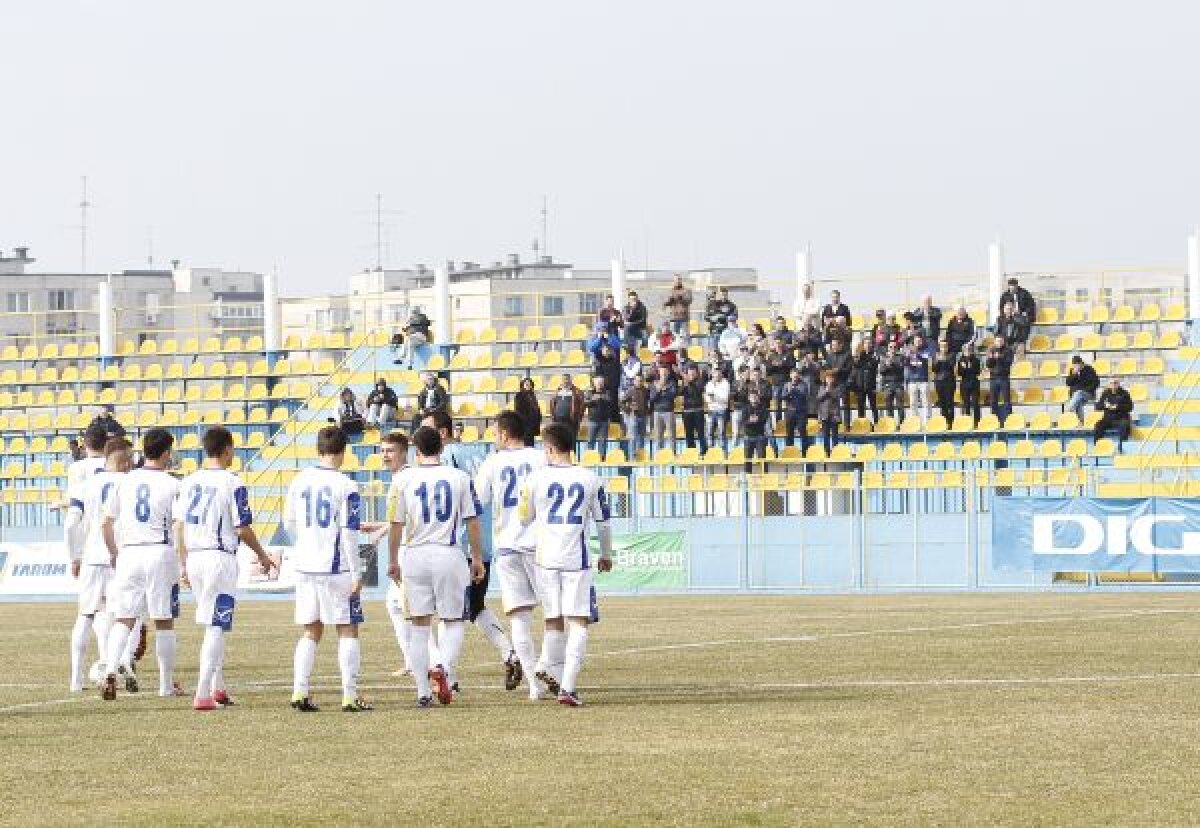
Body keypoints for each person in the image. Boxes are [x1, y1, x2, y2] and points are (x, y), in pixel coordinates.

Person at [173, 426, 275, 711]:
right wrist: (262, 555)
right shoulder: (233, 483)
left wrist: (183, 562)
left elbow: (179, 525)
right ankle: (202, 693)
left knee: (212, 622)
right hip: (219, 559)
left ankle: (218, 687)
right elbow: (242, 528)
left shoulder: (189, 481)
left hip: (195, 557)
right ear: (228, 449)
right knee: (217, 624)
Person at [387, 426, 486, 707]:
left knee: (419, 626)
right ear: (441, 448)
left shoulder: (402, 479)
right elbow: (472, 521)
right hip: (448, 553)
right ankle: (441, 665)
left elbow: (396, 524)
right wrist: (477, 557)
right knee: (453, 621)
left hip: (415, 555)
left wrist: (393, 560)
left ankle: (422, 692)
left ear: (415, 450)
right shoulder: (459, 477)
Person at [517, 422, 613, 706]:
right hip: (576, 558)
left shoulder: (535, 479)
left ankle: (548, 667)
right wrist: (606, 554)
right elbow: (603, 522)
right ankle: (567, 687)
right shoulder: (590, 478)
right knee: (579, 620)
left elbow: (523, 517)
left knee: (553, 619)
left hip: (545, 558)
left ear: (549, 448)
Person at [282, 427, 370, 712]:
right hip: (336, 567)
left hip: (305, 566)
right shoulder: (346, 485)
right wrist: (357, 573)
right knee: (348, 628)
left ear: (318, 449)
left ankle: (299, 691)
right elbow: (349, 533)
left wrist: (308, 544)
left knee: (311, 629)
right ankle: (350, 695)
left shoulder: (299, 480)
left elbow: (288, 523)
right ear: (344, 451)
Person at [99, 428, 181, 701]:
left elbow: (106, 523)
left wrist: (114, 553)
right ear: (166, 452)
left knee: (124, 618)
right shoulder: (173, 484)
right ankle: (165, 685)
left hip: (130, 553)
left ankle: (110, 670)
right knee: (164, 621)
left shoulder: (125, 481)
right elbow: (179, 525)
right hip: (159, 551)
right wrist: (183, 559)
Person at [473, 411, 549, 701]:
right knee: (555, 614)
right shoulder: (541, 458)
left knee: (520, 617)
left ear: (504, 434)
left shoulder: (492, 463)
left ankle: (534, 685)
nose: (494, 438)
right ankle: (551, 671)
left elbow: (476, 503)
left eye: (495, 433)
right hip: (541, 545)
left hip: (507, 545)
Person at [67, 436, 131, 694]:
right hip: (119, 557)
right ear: (124, 459)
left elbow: (71, 524)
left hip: (92, 556)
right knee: (118, 616)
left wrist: (75, 556)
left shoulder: (86, 485)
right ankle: (112, 666)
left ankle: (76, 679)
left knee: (85, 615)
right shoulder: (129, 482)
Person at [360, 431, 413, 677]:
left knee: (411, 610)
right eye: (382, 451)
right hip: (405, 548)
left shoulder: (403, 479)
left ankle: (433, 663)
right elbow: (401, 518)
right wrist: (379, 527)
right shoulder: (403, 477)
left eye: (390, 451)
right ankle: (413, 661)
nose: (385, 455)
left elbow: (403, 520)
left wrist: (381, 532)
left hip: (408, 551)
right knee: (395, 605)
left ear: (404, 453)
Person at [821, 336, 852, 426]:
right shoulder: (829, 355)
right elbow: (827, 367)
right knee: (832, 404)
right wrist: (826, 371)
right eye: (832, 345)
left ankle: (847, 426)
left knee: (845, 405)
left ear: (840, 345)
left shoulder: (847, 355)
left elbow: (849, 369)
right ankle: (833, 424)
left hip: (843, 383)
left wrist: (838, 370)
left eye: (835, 345)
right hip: (832, 383)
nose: (833, 347)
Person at [1094, 378, 1133, 449]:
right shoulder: (1105, 393)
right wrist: (1105, 405)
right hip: (1108, 419)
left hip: (1120, 418)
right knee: (1098, 425)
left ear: (1118, 384)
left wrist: (1118, 407)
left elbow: (1130, 407)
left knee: (1124, 424)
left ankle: (1122, 446)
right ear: (1109, 385)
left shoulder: (1124, 393)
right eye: (1111, 383)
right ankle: (1098, 447)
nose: (1113, 385)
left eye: (1115, 383)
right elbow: (1097, 407)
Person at [621, 373, 650, 459]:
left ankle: (640, 457)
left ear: (643, 381)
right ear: (634, 381)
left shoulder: (646, 391)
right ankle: (632, 458)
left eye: (641, 381)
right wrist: (628, 409)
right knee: (633, 438)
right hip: (633, 417)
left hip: (643, 417)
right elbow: (621, 402)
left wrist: (648, 411)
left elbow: (650, 402)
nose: (639, 382)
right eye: (637, 380)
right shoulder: (630, 391)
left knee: (641, 438)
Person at [903, 335, 932, 425]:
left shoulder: (926, 350)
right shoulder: (909, 352)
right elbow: (905, 364)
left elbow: (926, 360)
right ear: (913, 342)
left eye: (919, 341)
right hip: (912, 380)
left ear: (922, 341)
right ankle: (915, 422)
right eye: (916, 341)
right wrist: (908, 356)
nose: (918, 342)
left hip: (923, 380)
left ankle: (927, 422)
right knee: (912, 403)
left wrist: (917, 354)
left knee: (926, 402)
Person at [679, 364, 707, 455]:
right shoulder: (685, 382)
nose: (691, 374)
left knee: (701, 433)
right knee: (689, 434)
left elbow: (698, 390)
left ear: (696, 373)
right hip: (687, 412)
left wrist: (689, 382)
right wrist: (684, 384)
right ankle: (691, 452)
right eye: (690, 373)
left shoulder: (700, 381)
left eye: (693, 373)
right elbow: (680, 392)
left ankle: (704, 452)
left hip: (698, 411)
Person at [549, 374, 584, 445]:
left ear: (570, 380)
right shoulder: (557, 391)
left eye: (567, 379)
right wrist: (553, 415)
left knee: (571, 440)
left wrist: (578, 417)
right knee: (560, 440)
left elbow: (582, 406)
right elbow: (552, 404)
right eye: (564, 379)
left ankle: (572, 452)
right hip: (558, 420)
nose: (565, 381)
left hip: (571, 420)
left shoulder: (577, 392)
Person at [986, 336, 1014, 423]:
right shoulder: (991, 350)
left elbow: (1008, 363)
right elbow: (988, 365)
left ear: (1003, 341)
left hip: (1004, 378)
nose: (999, 343)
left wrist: (999, 358)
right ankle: (994, 420)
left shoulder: (1008, 350)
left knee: (1006, 400)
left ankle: (1008, 420)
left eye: (1001, 341)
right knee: (993, 400)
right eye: (997, 341)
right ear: (994, 342)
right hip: (993, 378)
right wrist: (991, 358)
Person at [781, 368, 810, 452]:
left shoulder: (803, 384)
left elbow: (803, 396)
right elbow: (783, 397)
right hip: (790, 412)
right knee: (789, 433)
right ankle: (790, 452)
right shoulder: (786, 385)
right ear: (790, 375)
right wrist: (789, 392)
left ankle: (805, 452)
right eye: (793, 375)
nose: (795, 377)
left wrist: (793, 390)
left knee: (802, 432)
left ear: (798, 376)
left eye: (796, 375)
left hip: (801, 412)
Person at [850, 340, 879, 424]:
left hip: (871, 385)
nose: (867, 345)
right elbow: (855, 364)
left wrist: (868, 357)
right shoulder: (859, 355)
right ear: (863, 345)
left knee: (873, 406)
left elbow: (874, 366)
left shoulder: (874, 355)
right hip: (860, 385)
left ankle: (876, 423)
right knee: (861, 407)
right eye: (866, 343)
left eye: (869, 343)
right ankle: (861, 424)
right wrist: (858, 355)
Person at [648, 370, 678, 452]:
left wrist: (664, 390)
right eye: (662, 373)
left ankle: (673, 455)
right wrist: (659, 390)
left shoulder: (672, 383)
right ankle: (659, 455)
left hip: (669, 412)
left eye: (665, 373)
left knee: (671, 436)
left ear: (668, 373)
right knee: (658, 436)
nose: (663, 375)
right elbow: (652, 398)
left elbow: (673, 395)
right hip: (657, 412)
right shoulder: (654, 384)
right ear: (659, 373)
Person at [583, 376, 612, 457]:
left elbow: (610, 402)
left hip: (604, 421)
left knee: (603, 441)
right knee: (590, 440)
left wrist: (602, 398)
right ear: (594, 384)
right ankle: (589, 457)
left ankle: (602, 458)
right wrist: (593, 399)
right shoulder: (590, 392)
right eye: (598, 383)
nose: (600, 384)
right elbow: (585, 403)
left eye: (601, 383)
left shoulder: (607, 392)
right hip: (593, 420)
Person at [1065, 355, 1100, 423]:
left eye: (1077, 365)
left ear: (1081, 363)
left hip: (1088, 394)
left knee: (1079, 393)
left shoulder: (1089, 369)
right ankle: (1081, 422)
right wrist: (1074, 374)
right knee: (1079, 403)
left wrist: (1085, 390)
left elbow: (1096, 383)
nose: (1076, 367)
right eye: (1074, 365)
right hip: (1076, 396)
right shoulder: (1072, 370)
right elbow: (1068, 383)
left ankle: (1069, 410)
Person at [593, 342, 622, 422]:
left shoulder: (615, 361)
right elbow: (597, 376)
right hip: (603, 390)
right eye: (605, 350)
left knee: (614, 409)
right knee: (604, 410)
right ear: (602, 351)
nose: (607, 352)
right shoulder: (598, 361)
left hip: (614, 389)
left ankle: (615, 425)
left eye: (609, 350)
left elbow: (618, 375)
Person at [704, 366, 730, 451]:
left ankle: (723, 454)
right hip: (711, 411)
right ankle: (710, 453)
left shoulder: (726, 383)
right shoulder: (709, 384)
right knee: (709, 433)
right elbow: (707, 399)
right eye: (715, 373)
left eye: (719, 373)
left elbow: (725, 399)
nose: (717, 375)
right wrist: (712, 399)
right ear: (712, 374)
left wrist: (714, 398)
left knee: (721, 434)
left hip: (721, 411)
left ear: (721, 374)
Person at [877, 342, 906, 422]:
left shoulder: (900, 357)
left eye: (894, 347)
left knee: (900, 405)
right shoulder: (884, 357)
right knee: (889, 405)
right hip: (888, 384)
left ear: (897, 348)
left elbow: (901, 369)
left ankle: (902, 423)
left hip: (898, 384)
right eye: (891, 347)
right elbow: (881, 371)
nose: (892, 348)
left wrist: (892, 363)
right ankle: (891, 423)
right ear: (888, 348)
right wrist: (886, 365)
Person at [931, 340, 957, 424]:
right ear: (939, 347)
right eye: (942, 346)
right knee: (942, 403)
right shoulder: (936, 355)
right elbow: (934, 369)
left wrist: (944, 358)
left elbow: (951, 366)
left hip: (949, 381)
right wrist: (937, 361)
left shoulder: (952, 355)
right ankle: (944, 421)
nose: (944, 348)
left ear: (948, 347)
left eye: (945, 346)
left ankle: (951, 422)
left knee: (949, 402)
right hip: (939, 381)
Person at [705, 287, 738, 352]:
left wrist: (725, 317)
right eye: (722, 295)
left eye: (725, 295)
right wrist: (713, 318)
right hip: (714, 330)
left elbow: (735, 316)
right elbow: (706, 317)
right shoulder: (712, 305)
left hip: (726, 332)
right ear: (719, 295)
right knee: (714, 351)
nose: (724, 297)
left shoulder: (731, 305)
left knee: (725, 351)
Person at [742, 390, 769, 469]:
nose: (754, 398)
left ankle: (764, 475)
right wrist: (751, 421)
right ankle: (748, 475)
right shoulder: (745, 409)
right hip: (748, 437)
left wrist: (756, 420)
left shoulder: (763, 408)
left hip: (760, 437)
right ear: (749, 398)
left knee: (762, 459)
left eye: (755, 396)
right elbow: (743, 422)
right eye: (752, 396)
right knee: (747, 459)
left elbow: (763, 421)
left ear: (758, 398)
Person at [957, 344, 982, 427]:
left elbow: (978, 372)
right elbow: (960, 373)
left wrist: (969, 367)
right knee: (966, 404)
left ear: (972, 351)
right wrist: (964, 368)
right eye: (966, 350)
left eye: (969, 350)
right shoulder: (961, 360)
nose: (967, 351)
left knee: (975, 404)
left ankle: (977, 422)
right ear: (963, 351)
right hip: (964, 384)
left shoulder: (976, 360)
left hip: (974, 384)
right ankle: (967, 422)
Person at [816, 371, 841, 455]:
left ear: (833, 379)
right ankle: (826, 452)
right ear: (825, 379)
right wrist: (825, 392)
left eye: (830, 378)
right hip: (824, 415)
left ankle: (835, 452)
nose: (829, 379)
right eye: (827, 378)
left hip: (834, 415)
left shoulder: (837, 387)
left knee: (835, 436)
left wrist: (829, 390)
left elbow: (836, 397)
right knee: (825, 436)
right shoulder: (822, 387)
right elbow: (819, 398)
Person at [513, 377, 541, 447]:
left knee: (531, 444)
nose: (528, 386)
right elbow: (519, 410)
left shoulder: (532, 395)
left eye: (530, 384)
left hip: (533, 425)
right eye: (526, 384)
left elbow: (535, 408)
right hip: (525, 425)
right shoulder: (519, 395)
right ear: (522, 385)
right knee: (526, 444)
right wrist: (526, 422)